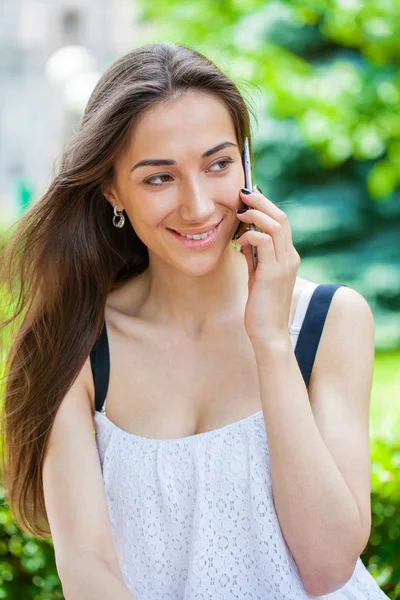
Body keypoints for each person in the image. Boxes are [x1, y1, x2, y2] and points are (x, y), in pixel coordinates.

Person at [0, 42, 388, 600]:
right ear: (111, 188)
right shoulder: (75, 345)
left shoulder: (330, 320)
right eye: (160, 178)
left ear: (246, 164)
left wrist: (272, 342)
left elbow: (328, 566)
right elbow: (88, 570)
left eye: (218, 164)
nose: (200, 206)